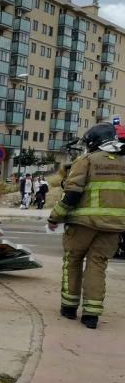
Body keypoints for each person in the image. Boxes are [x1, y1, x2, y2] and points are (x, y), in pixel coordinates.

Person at [48, 123, 125, 329]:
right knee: (97, 265)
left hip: (83, 224)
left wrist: (55, 217)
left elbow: (71, 194)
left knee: (72, 261)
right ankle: (91, 315)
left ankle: (69, 307)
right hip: (114, 226)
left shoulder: (86, 161)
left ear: (93, 142)